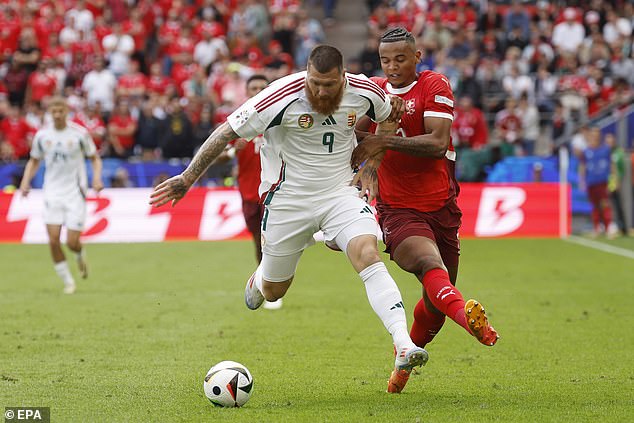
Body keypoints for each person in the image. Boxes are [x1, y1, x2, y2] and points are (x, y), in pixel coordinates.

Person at [150, 45, 429, 381]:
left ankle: (402, 344)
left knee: (367, 251)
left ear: (343, 77)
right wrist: (187, 178)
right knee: (274, 292)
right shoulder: (279, 96)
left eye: (328, 85)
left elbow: (389, 117)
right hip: (287, 201)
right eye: (314, 83)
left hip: (340, 192)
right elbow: (226, 132)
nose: (320, 91)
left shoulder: (365, 90)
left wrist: (373, 166)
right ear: (306, 75)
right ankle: (261, 276)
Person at [351, 28, 499, 393]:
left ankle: (403, 363)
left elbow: (436, 143)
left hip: (442, 207)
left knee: (436, 305)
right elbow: (356, 137)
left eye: (400, 59)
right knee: (431, 266)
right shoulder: (375, 91)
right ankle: (470, 320)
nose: (393, 66)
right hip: (398, 208)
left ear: (416, 57)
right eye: (386, 60)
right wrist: (376, 126)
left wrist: (383, 138)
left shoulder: (434, 85)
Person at [19, 96, 103, 294]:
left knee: (71, 242)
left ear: (67, 112)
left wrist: (97, 179)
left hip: (75, 192)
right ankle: (68, 282)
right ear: (50, 113)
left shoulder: (79, 134)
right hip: (52, 192)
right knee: (54, 239)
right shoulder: (42, 135)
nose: (57, 115)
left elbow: (95, 158)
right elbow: (34, 161)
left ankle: (79, 253)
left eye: (60, 111)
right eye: (53, 111)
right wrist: (25, 181)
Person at [214, 74, 283, 310]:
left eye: (262, 88)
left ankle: (271, 287)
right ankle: (264, 283)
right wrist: (234, 151)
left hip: (275, 189)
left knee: (271, 241)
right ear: (246, 91)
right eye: (253, 88)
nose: (257, 91)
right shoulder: (238, 121)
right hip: (247, 191)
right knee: (257, 242)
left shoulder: (280, 118)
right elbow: (217, 155)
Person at [579, 127, 618, 238]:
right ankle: (596, 228)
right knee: (594, 206)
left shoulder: (605, 150)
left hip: (603, 181)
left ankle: (608, 227)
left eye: (597, 133)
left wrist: (614, 179)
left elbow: (612, 165)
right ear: (591, 135)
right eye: (593, 133)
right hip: (591, 181)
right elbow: (582, 166)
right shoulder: (586, 151)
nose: (595, 135)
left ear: (599, 135)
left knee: (605, 204)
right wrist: (582, 180)